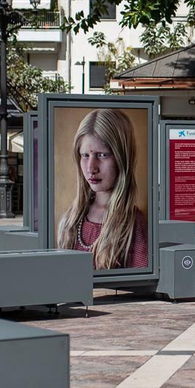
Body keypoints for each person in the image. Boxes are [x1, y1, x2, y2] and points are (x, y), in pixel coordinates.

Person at [57, 108, 149, 270]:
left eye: (102, 155)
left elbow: (139, 289)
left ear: (122, 157)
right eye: (85, 155)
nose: (91, 168)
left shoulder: (135, 224)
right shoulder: (70, 219)